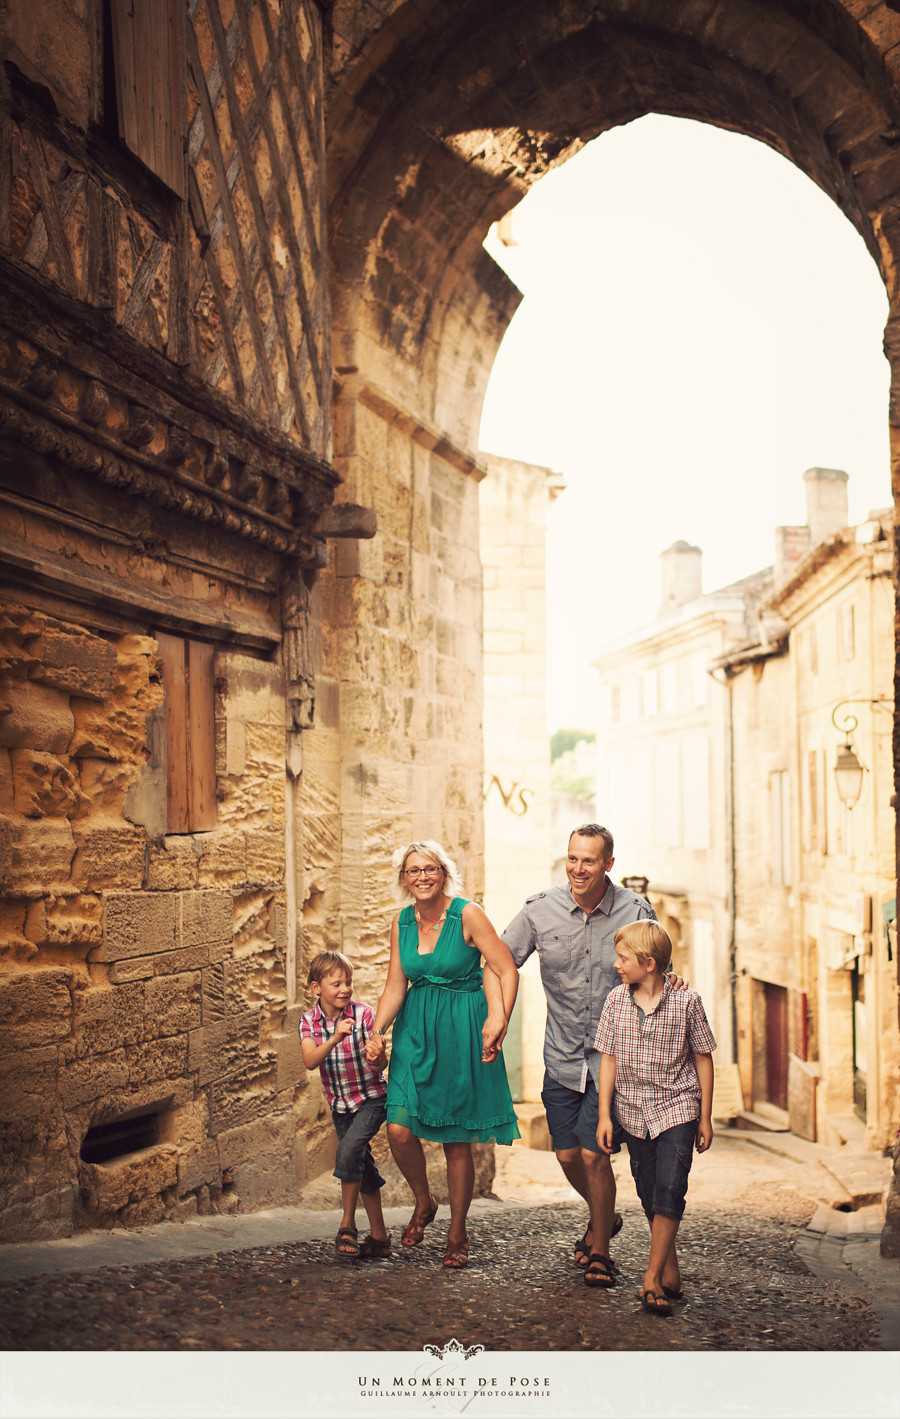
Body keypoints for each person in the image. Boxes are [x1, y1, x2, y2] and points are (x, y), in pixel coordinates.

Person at [501, 823, 660, 1289]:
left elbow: (657, 974)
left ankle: (601, 1253)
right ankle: (603, 1216)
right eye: (572, 858)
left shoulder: (635, 911)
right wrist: (497, 1017)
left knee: (594, 1156)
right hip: (562, 1055)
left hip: (614, 1061)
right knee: (567, 1154)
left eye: (589, 860)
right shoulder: (539, 910)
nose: (578, 868)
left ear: (608, 864)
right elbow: (500, 961)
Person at [365, 841, 520, 1269]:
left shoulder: (467, 914)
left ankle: (457, 1231)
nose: (422, 877)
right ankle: (424, 1201)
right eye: (413, 871)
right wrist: (377, 1031)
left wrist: (500, 1019)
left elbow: (506, 968)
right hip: (415, 1030)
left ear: (443, 873)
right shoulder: (401, 922)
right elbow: (395, 985)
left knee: (455, 1139)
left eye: (429, 869)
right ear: (403, 878)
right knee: (398, 1129)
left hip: (461, 1030)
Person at [595, 920, 716, 1317]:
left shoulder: (687, 1002)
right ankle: (670, 1266)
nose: (616, 964)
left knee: (670, 1186)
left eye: (623, 958)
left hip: (678, 1106)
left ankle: (651, 1277)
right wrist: (605, 1115)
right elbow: (608, 1059)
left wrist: (705, 1117)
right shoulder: (616, 1000)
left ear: (648, 963)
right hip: (632, 1110)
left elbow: (703, 1057)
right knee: (648, 1189)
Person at [299, 950, 391, 1263]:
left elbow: (380, 1065)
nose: (345, 989)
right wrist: (335, 1038)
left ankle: (347, 1225)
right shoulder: (308, 1022)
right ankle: (379, 1235)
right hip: (340, 1105)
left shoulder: (364, 1015)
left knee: (349, 1151)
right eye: (336, 983)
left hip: (372, 1099)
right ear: (316, 988)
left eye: (348, 982)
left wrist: (377, 1057)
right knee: (362, 1165)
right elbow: (310, 1060)